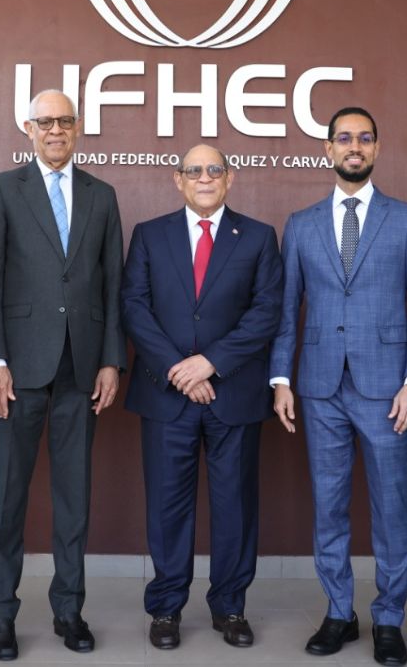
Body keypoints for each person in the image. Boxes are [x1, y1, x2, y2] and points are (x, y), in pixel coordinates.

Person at [269, 106, 407, 666]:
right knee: (329, 505)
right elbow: (286, 310)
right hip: (319, 388)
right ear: (328, 149)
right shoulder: (301, 224)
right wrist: (281, 378)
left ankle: (389, 618)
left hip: (388, 389)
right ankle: (339, 611)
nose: (354, 146)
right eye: (344, 138)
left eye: (364, 138)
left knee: (392, 509)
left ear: (377, 148)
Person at [0, 89, 126, 660]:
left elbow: (111, 285)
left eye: (64, 121)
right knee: (8, 498)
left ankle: (69, 609)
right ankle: (1, 615)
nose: (55, 130)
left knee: (73, 498)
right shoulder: (2, 189)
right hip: (18, 368)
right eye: (45, 122)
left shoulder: (101, 195)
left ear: (78, 127)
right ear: (29, 128)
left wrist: (110, 359)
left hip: (81, 369)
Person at [121, 144, 284, 650]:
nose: (205, 177)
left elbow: (266, 311)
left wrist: (209, 362)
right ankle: (166, 608)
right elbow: (134, 307)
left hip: (233, 393)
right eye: (194, 170)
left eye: (215, 169)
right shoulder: (149, 235)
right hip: (166, 394)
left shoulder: (258, 236)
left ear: (229, 178)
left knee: (235, 505)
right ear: (178, 180)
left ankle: (230, 606)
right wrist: (180, 370)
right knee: (167, 506)